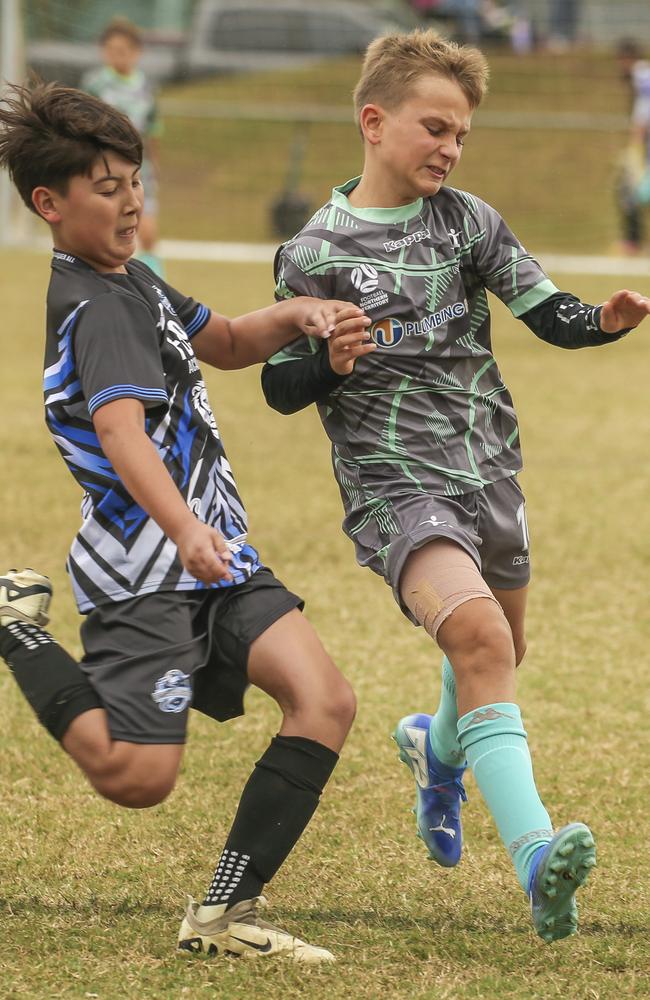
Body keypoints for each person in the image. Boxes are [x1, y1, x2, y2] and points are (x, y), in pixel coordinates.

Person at [261, 28, 650, 942]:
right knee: (478, 637)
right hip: (394, 487)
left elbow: (546, 313)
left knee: (499, 649)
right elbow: (280, 387)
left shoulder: (470, 221)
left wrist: (604, 320)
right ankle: (537, 860)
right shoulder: (314, 252)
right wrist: (330, 366)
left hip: (487, 470)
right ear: (374, 121)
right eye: (435, 127)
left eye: (462, 134)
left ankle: (434, 755)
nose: (449, 146)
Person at [0, 80, 361, 962]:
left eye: (133, 180)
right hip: (150, 569)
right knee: (138, 779)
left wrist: (300, 317)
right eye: (106, 186)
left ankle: (225, 916)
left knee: (322, 701)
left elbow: (230, 339)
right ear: (49, 203)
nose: (131, 202)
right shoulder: (98, 307)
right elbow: (123, 433)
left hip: (215, 553)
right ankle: (17, 629)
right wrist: (185, 530)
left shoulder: (134, 280)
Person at [82, 17, 164, 275]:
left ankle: (154, 282)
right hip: (104, 168)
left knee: (147, 230)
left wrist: (155, 161)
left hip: (139, 169)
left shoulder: (146, 86)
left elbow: (152, 127)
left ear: (137, 52)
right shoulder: (95, 84)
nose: (116, 56)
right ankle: (104, 276)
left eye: (123, 51)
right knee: (106, 227)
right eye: (110, 51)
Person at [616, 39, 650, 254]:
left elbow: (644, 109)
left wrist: (635, 144)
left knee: (627, 190)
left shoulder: (642, 75)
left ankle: (632, 241)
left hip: (645, 150)